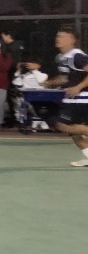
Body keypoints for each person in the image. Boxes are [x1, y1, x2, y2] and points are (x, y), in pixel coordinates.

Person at [42, 28, 88, 166]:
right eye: (58, 36)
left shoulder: (77, 56)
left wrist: (78, 87)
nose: (58, 38)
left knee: (60, 123)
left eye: (63, 36)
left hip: (83, 99)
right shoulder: (61, 58)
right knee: (73, 132)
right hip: (70, 100)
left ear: (73, 40)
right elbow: (64, 78)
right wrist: (49, 83)